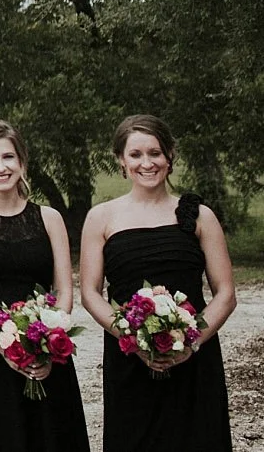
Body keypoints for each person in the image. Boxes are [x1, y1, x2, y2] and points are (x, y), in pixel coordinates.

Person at [79, 114, 234, 450]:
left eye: (155, 153)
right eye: (136, 155)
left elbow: (225, 294)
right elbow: (90, 293)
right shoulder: (102, 217)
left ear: (170, 156)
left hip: (195, 360)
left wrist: (190, 343)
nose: (146, 163)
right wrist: (133, 339)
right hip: (128, 359)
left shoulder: (200, 215)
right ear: (120, 159)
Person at [0, 120, 87, 451]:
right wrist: (5, 347)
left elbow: (64, 289)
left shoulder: (49, 218)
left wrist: (48, 340)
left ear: (22, 161)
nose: (0, 167)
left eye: (8, 157)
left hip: (46, 353)